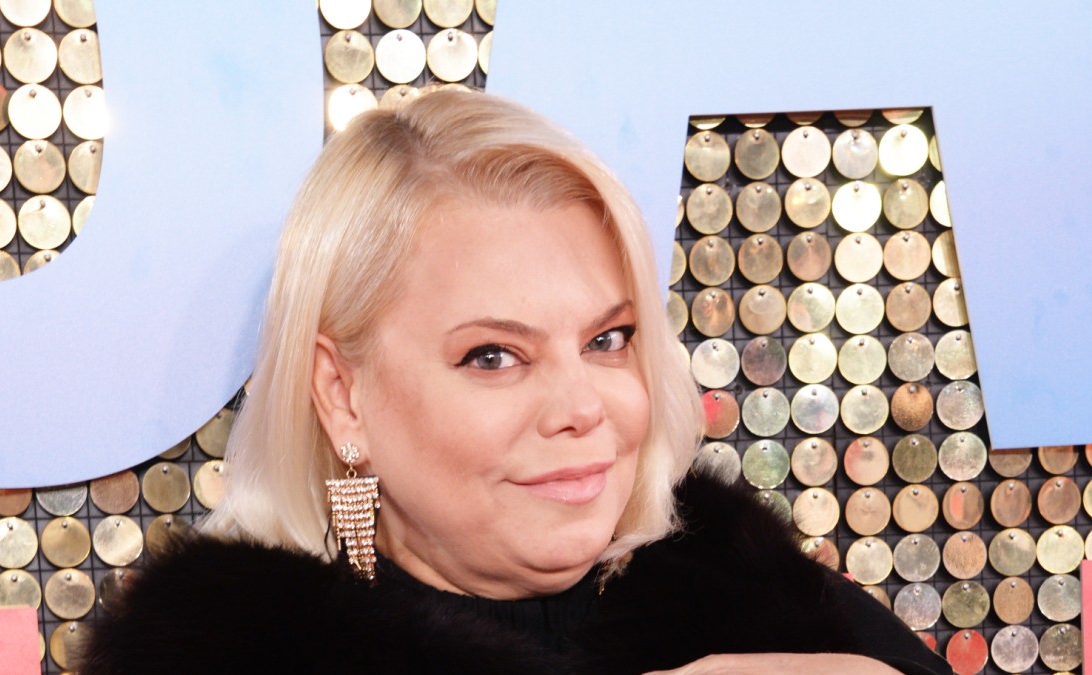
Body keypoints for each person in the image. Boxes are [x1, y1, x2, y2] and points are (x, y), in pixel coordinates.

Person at [80, 89, 951, 675]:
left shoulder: (774, 607)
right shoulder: (214, 652)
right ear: (342, 394)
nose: (582, 408)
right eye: (493, 355)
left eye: (608, 339)